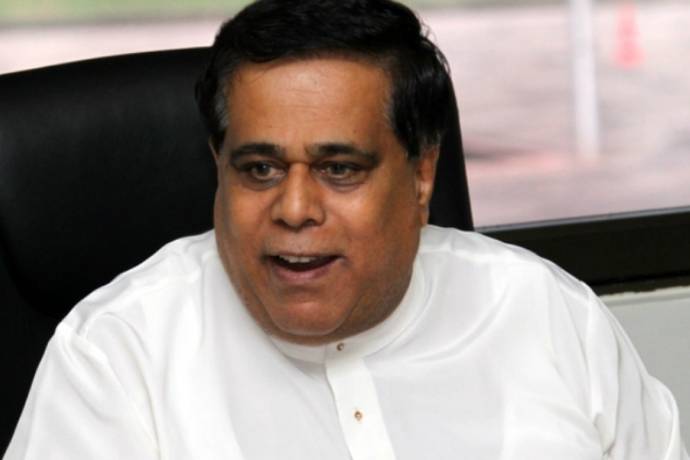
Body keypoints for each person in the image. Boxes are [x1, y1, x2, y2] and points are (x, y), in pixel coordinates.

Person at [4, 0, 688, 459]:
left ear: (422, 176)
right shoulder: (117, 356)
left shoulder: (548, 314)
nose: (295, 208)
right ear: (219, 165)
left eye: (339, 169)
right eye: (260, 169)